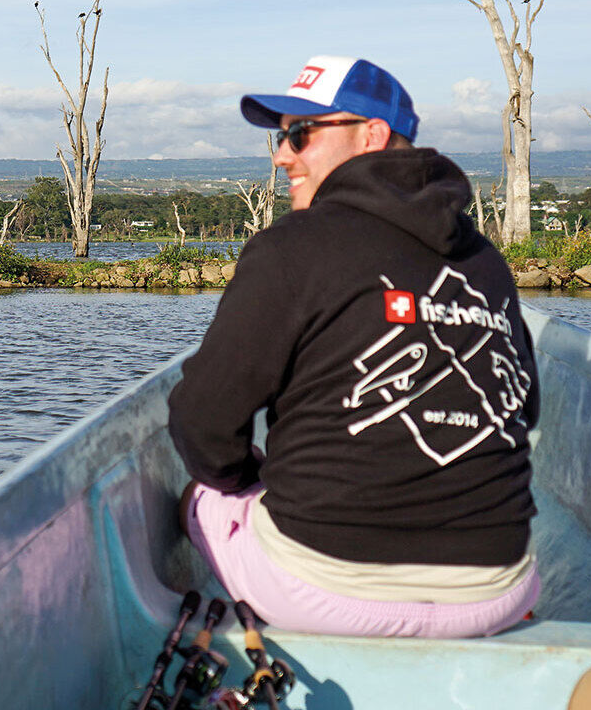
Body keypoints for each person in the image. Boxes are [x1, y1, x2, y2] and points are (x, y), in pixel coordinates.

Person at [167, 55, 539, 638]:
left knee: (199, 496)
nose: (281, 154)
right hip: (496, 590)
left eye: (300, 134)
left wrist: (245, 481)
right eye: (280, 136)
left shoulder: (290, 247)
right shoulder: (484, 260)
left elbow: (201, 424)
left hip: (321, 591)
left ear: (372, 135)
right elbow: (525, 408)